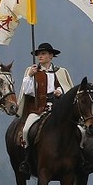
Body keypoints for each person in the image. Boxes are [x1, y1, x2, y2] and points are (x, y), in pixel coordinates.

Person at [16, 42, 74, 172]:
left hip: (57, 108)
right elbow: (27, 91)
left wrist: (60, 91)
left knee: (77, 128)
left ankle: (80, 157)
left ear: (51, 55)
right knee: (26, 131)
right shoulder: (33, 71)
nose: (40, 56)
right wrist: (30, 76)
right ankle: (26, 159)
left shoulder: (61, 72)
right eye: (39, 54)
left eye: (43, 54)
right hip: (39, 109)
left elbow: (66, 88)